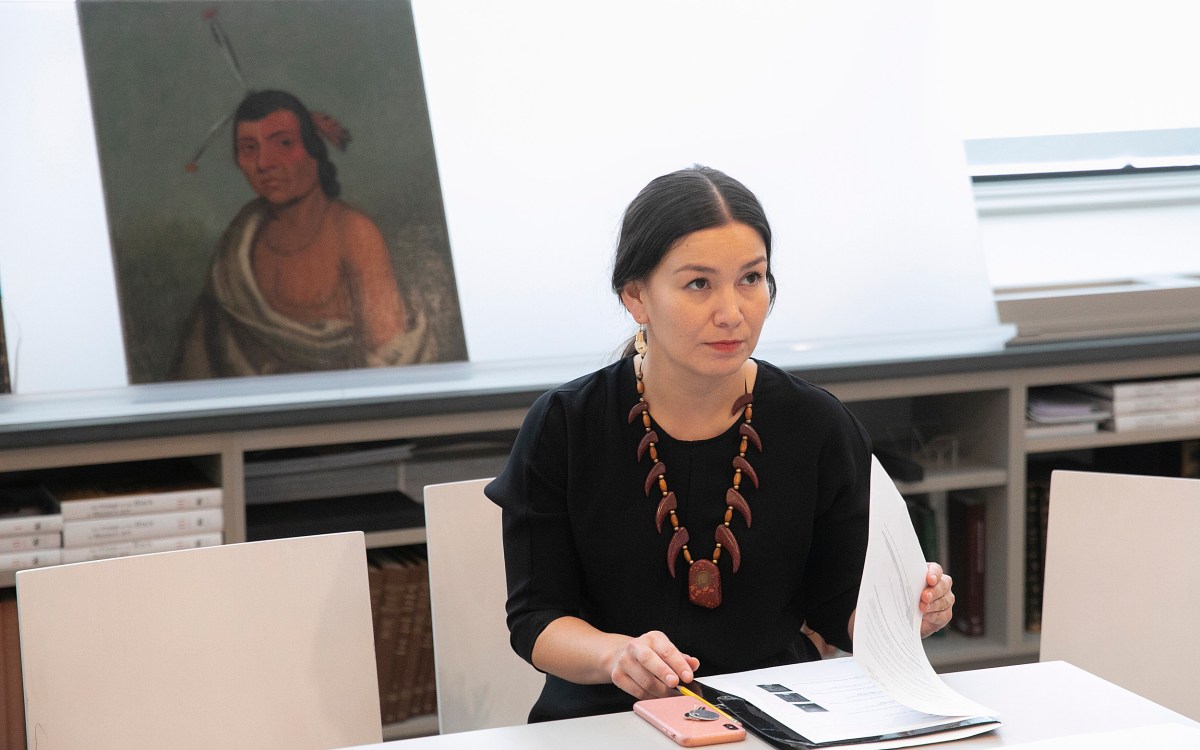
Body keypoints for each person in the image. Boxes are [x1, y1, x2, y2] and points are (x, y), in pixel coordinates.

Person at [485, 165, 954, 722]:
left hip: (779, 718)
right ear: (636, 296)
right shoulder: (566, 425)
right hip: (607, 719)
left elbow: (838, 609)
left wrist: (900, 614)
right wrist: (616, 655)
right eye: (698, 284)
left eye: (751, 279)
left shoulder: (815, 424)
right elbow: (537, 619)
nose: (732, 313)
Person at [172, 89, 437, 379]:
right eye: (249, 148)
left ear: (314, 148)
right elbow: (201, 363)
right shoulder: (239, 241)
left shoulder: (353, 234)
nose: (264, 163)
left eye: (283, 143)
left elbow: (392, 361)